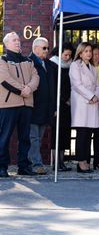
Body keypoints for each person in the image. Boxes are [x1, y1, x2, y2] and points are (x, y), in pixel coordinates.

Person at [0, 32, 40, 177]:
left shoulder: (28, 61)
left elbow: (36, 77)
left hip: (26, 105)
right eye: (14, 40)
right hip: (8, 105)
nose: (18, 42)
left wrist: (29, 88)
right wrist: (23, 90)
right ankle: (2, 167)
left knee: (25, 138)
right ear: (7, 44)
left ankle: (24, 167)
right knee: (4, 137)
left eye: (18, 40)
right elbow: (5, 79)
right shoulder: (2, 60)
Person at [69, 42, 99, 173]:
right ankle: (80, 161)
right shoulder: (75, 65)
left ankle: (86, 160)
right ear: (80, 53)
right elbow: (77, 85)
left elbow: (98, 85)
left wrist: (96, 96)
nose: (89, 53)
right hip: (82, 103)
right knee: (82, 134)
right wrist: (91, 96)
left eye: (90, 51)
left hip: (92, 103)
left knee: (89, 134)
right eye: (86, 51)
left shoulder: (93, 67)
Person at [28, 37, 56, 175]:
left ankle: (31, 161)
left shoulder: (49, 64)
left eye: (48, 48)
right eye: (44, 48)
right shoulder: (28, 63)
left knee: (38, 138)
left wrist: (54, 108)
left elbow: (53, 88)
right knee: (33, 138)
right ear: (35, 48)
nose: (47, 50)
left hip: (46, 108)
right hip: (33, 107)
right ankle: (36, 164)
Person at [49, 42, 74, 172]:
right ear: (59, 53)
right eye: (65, 55)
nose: (67, 57)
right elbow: (53, 87)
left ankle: (62, 161)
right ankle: (55, 162)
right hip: (57, 104)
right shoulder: (53, 64)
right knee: (56, 133)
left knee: (65, 133)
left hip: (67, 105)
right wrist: (55, 106)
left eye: (69, 55)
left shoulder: (70, 66)